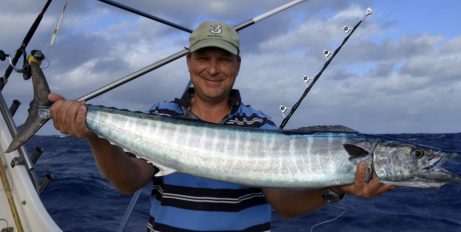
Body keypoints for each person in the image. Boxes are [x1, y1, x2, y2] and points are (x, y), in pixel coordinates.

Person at [49, 21, 394, 231]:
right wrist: (94, 135)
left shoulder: (261, 127)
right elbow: (129, 183)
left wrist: (337, 190)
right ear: (189, 63)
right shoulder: (161, 115)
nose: (213, 69)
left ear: (237, 65)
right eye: (204, 57)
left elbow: (286, 206)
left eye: (223, 59)